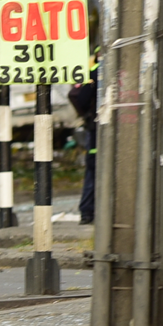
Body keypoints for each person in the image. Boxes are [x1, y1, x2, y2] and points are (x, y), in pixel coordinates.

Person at [67, 54, 100, 224]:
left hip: (95, 129)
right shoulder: (99, 72)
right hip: (99, 130)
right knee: (94, 170)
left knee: (93, 172)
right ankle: (89, 211)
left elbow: (78, 97)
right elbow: (78, 96)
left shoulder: (94, 71)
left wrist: (86, 115)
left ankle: (88, 212)